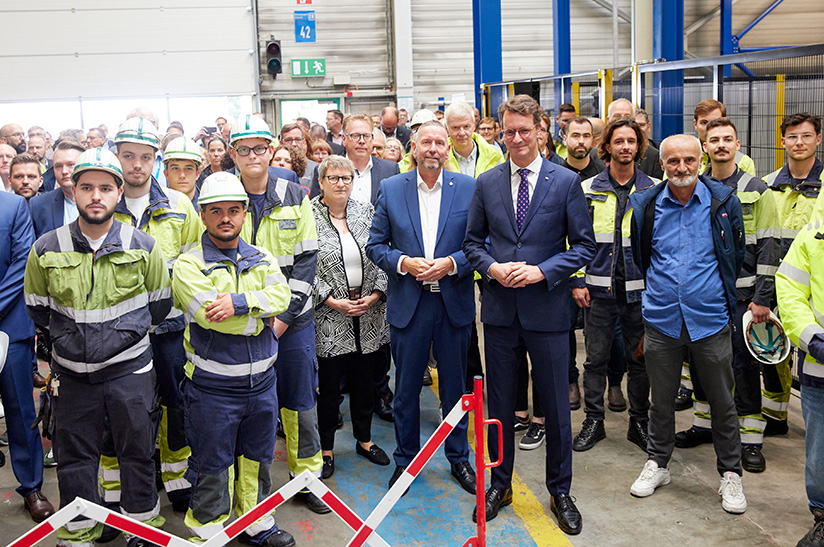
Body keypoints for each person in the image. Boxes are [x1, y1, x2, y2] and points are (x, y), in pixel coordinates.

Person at [25, 147, 171, 546]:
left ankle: (142, 529)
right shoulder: (46, 248)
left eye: (105, 188)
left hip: (130, 372)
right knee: (74, 458)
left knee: (137, 452)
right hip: (71, 375)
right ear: (72, 191)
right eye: (87, 187)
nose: (95, 196)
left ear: (119, 193)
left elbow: (159, 304)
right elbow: (37, 308)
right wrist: (71, 343)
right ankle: (78, 532)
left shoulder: (143, 246)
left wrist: (122, 341)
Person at [463, 94, 595, 534]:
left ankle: (560, 490)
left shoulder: (565, 182)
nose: (516, 138)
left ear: (541, 130)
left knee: (555, 407)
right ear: (501, 133)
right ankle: (499, 485)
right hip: (501, 312)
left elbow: (584, 246)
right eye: (509, 131)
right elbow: (472, 244)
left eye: (524, 130)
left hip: (548, 312)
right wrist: (492, 268)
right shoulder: (487, 183)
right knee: (500, 406)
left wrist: (543, 271)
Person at [172, 172, 294, 547]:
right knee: (213, 462)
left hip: (262, 384)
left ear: (244, 214)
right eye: (216, 211)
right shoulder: (188, 265)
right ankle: (208, 530)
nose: (226, 218)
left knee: (258, 457)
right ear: (203, 215)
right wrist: (260, 317)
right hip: (213, 389)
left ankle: (256, 522)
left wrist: (239, 304)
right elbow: (210, 316)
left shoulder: (262, 257)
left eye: (233, 210)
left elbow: (283, 298)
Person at [627, 134, 747, 514]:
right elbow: (643, 256)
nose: (682, 168)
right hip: (662, 319)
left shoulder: (723, 203)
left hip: (709, 319)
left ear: (701, 161)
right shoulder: (645, 206)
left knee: (723, 402)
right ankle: (658, 463)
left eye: (689, 160)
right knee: (661, 401)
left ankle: (731, 473)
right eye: (673, 161)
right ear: (661, 164)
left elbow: (735, 255)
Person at [366, 120, 478, 497]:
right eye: (425, 142)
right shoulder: (392, 188)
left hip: (452, 302)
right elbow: (375, 245)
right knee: (406, 390)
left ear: (448, 148)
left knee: (454, 389)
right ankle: (406, 461)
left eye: (439, 143)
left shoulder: (468, 187)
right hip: (409, 304)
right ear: (413, 147)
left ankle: (459, 458)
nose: (432, 148)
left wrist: (452, 263)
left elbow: (481, 243)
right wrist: (404, 263)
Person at [229, 115, 328, 514]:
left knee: (300, 402)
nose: (252, 155)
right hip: (242, 323)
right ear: (233, 154)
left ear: (270, 150)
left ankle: (307, 480)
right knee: (250, 411)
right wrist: (250, 316)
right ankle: (251, 494)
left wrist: (284, 318)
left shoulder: (292, 190)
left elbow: (307, 258)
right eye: (244, 149)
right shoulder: (221, 191)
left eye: (259, 147)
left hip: (293, 321)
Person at [675, 118, 780, 473]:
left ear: (737, 145)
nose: (720, 144)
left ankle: (750, 440)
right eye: (714, 139)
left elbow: (769, 245)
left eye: (727, 139)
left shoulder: (757, 190)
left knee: (743, 366)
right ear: (704, 146)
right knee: (701, 362)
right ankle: (703, 425)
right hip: (704, 296)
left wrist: (763, 297)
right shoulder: (696, 186)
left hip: (743, 297)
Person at [108, 117, 202, 514]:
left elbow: (197, 261)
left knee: (175, 401)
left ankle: (177, 478)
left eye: (145, 157)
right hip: (119, 330)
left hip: (170, 327)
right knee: (120, 408)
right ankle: (118, 489)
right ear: (116, 156)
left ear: (155, 160)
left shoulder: (179, 206)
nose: (136, 165)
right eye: (128, 155)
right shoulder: (104, 205)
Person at [571, 116, 654, 453]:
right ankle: (594, 420)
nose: (625, 147)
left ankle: (639, 422)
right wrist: (577, 279)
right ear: (606, 146)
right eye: (619, 141)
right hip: (597, 292)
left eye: (631, 141)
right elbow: (574, 238)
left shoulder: (653, 189)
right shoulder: (587, 189)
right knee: (595, 360)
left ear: (639, 146)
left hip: (640, 292)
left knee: (640, 361)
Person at [312, 156, 391, 479]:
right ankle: (326, 449)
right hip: (329, 316)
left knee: (365, 383)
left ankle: (365, 440)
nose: (341, 183)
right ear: (321, 182)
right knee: (330, 388)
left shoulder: (366, 212)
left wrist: (376, 294)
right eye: (333, 178)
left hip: (368, 313)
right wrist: (331, 300)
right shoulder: (308, 217)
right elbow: (302, 267)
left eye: (346, 178)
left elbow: (383, 252)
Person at [766, 112, 823, 436]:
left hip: (814, 290)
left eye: (806, 136)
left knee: (811, 353)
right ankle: (776, 416)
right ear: (782, 141)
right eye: (792, 137)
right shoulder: (768, 184)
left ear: (818, 139)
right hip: (776, 283)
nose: (799, 142)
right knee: (772, 352)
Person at [1, 187, 54, 524]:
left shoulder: (13, 206)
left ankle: (31, 487)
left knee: (20, 411)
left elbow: (22, 261)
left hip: (9, 326)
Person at [775, 217, 824, 547]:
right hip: (821, 368)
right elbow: (790, 290)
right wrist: (815, 340)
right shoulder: (814, 235)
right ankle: (823, 517)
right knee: (820, 454)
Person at [693, 99, 756, 176]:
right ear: (695, 124)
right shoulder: (685, 157)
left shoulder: (744, 162)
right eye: (704, 122)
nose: (709, 127)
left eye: (715, 122)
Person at [444, 101, 504, 177]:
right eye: (455, 127)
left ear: (474, 126)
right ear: (447, 129)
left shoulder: (495, 154)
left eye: (466, 127)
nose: (462, 133)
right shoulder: (440, 158)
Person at [163, 137, 203, 203]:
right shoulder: (155, 206)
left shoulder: (207, 206)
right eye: (175, 168)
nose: (182, 175)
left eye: (188, 169)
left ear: (197, 174)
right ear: (166, 173)